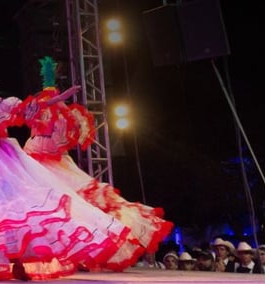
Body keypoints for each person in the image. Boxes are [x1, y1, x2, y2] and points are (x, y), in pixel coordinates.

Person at [0, 42, 132, 281]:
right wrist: (59, 98)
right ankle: (16, 261)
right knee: (13, 204)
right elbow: (28, 107)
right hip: (0, 162)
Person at [18, 57, 173, 271]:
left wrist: (57, 105)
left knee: (69, 206)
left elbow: (58, 139)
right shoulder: (42, 108)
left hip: (49, 162)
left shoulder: (59, 114)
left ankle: (78, 252)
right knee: (40, 208)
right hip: (34, 159)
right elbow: (33, 116)